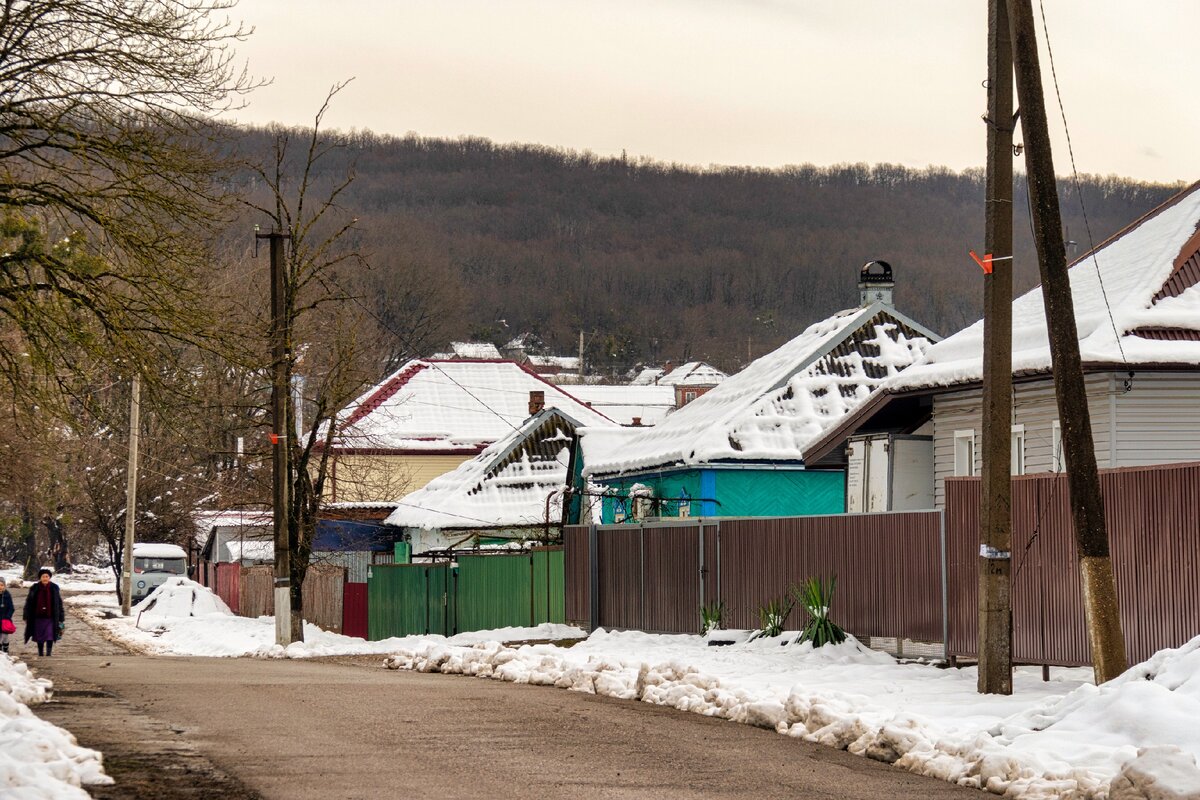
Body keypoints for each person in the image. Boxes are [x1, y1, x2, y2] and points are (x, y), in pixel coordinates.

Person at [23, 568, 64, 657]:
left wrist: (61, 617)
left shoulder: (54, 588)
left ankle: (49, 653)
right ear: (40, 578)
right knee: (39, 636)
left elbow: (59, 603)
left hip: (50, 617)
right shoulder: (35, 588)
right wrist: (26, 615)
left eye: (47, 576)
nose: (45, 578)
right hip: (38, 617)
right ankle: (40, 653)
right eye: (43, 576)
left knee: (50, 634)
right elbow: (28, 602)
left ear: (49, 578)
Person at [0, 578, 13, 655]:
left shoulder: (7, 595)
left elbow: (11, 608)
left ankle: (5, 649)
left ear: (4, 586)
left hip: (5, 619)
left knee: (5, 636)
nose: (0, 587)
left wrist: (8, 616)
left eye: (2, 585)